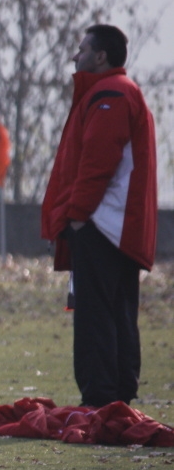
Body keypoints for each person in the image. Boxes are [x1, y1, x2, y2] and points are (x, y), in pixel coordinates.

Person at [41, 24, 158, 408]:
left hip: (102, 225)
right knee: (119, 311)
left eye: (81, 49)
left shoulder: (110, 94)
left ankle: (100, 398)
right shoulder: (124, 92)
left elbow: (97, 162)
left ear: (101, 56)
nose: (75, 57)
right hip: (118, 227)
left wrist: (76, 215)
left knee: (94, 314)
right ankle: (120, 393)